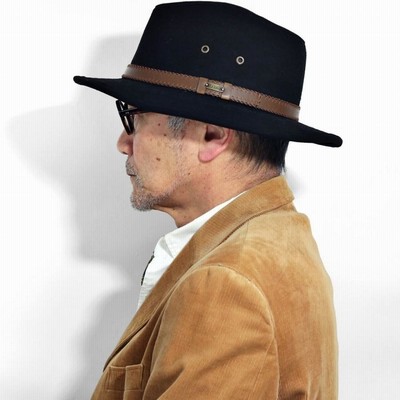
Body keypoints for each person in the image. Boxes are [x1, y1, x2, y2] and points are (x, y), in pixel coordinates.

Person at [74, 2, 342, 399]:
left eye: (134, 118)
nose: (123, 143)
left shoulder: (225, 284)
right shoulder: (280, 238)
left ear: (212, 136)